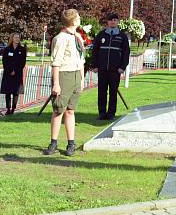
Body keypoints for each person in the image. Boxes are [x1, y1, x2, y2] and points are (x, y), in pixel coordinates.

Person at [44, 9, 85, 157]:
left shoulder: (78, 36)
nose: (80, 19)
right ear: (73, 21)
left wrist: (81, 79)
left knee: (70, 110)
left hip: (75, 75)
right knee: (58, 110)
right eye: (78, 17)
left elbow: (81, 60)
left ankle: (71, 143)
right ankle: (53, 143)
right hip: (63, 75)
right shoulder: (60, 38)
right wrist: (56, 83)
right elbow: (56, 62)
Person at [91, 13, 130, 120]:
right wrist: (94, 65)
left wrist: (122, 67)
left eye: (115, 20)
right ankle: (102, 113)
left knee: (113, 92)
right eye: (110, 20)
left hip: (115, 70)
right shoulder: (101, 35)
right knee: (101, 92)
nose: (113, 22)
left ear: (118, 22)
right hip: (102, 69)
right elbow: (95, 51)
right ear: (107, 22)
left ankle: (111, 113)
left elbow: (126, 53)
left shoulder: (122, 36)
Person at [0, 33, 26, 115]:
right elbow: (5, 61)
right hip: (8, 74)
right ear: (12, 38)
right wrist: (10, 70)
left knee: (16, 92)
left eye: (18, 37)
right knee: (8, 92)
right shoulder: (7, 49)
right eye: (16, 37)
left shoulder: (22, 49)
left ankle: (13, 109)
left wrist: (15, 70)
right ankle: (8, 108)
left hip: (17, 74)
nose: (17, 39)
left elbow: (22, 62)